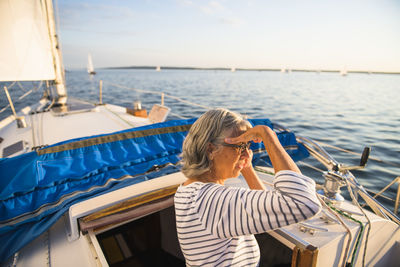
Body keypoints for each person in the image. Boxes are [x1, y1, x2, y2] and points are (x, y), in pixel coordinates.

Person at [174, 108, 321, 266]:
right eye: (239, 146)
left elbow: (268, 210)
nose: (246, 154)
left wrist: (247, 167)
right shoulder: (212, 200)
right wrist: (267, 135)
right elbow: (303, 202)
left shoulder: (189, 191)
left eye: (247, 146)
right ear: (211, 150)